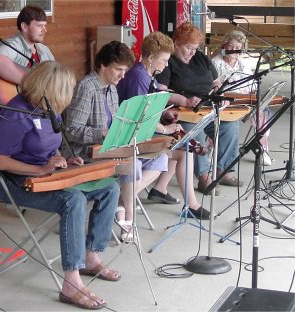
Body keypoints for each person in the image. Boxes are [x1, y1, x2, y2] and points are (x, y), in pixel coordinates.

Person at [0, 61, 120, 310]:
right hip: (21, 181)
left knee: (110, 187)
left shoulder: (49, 108)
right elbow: (1, 161)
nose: (67, 98)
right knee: (73, 200)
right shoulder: (17, 113)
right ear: (48, 89)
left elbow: (50, 146)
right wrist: (40, 169)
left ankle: (91, 256)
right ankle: (71, 282)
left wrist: (64, 159)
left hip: (49, 174)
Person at [63, 41, 169, 241]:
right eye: (118, 69)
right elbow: (72, 131)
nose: (123, 75)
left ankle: (120, 201)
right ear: (103, 66)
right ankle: (128, 218)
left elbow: (115, 124)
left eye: (125, 70)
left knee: (160, 158)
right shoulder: (87, 88)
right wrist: (103, 133)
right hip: (85, 152)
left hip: (109, 147)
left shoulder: (111, 88)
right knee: (131, 164)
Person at [116, 31, 209, 219]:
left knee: (182, 150)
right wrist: (166, 129)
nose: (167, 64)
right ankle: (120, 199)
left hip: (141, 135)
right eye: (164, 60)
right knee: (183, 152)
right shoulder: (138, 78)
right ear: (150, 58)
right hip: (130, 137)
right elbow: (138, 118)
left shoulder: (147, 75)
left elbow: (149, 107)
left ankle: (126, 197)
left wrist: (165, 113)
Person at [156, 23, 244, 195]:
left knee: (229, 126)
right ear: (176, 44)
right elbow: (160, 91)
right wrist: (184, 100)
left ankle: (222, 169)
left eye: (195, 48)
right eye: (188, 48)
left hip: (207, 108)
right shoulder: (168, 62)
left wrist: (220, 94)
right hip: (181, 113)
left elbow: (216, 83)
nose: (192, 52)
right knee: (194, 132)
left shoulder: (201, 58)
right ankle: (204, 177)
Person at [211, 30, 272, 166]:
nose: (234, 50)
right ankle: (212, 150)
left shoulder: (242, 64)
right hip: (227, 101)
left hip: (245, 100)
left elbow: (253, 84)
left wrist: (255, 92)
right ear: (224, 46)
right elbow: (213, 86)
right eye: (231, 46)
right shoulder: (215, 63)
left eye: (238, 48)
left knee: (262, 111)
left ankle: (263, 149)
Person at [0, 5, 54, 85]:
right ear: (25, 27)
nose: (44, 30)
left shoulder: (44, 50)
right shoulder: (14, 44)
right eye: (39, 26)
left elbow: (54, 75)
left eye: (45, 25)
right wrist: (31, 83)